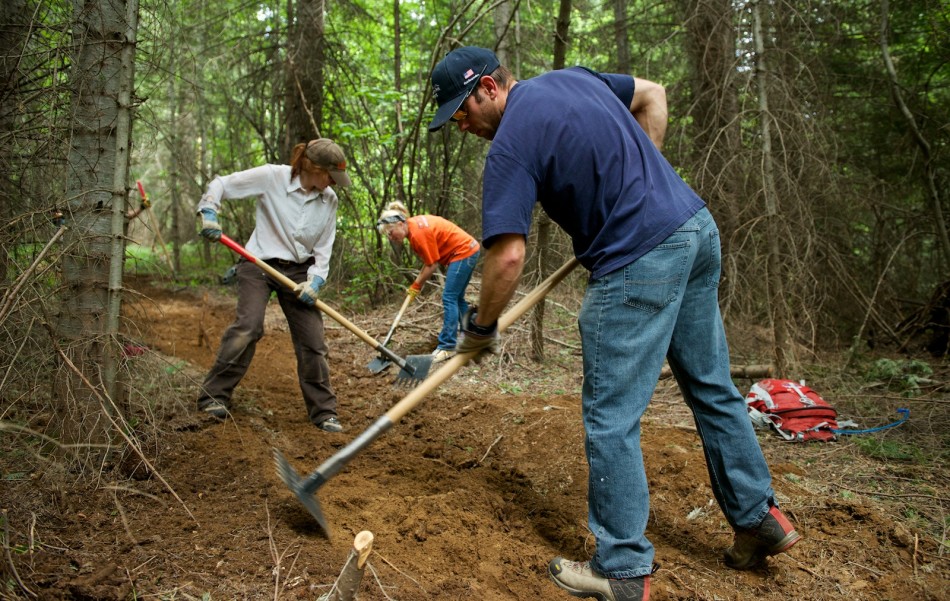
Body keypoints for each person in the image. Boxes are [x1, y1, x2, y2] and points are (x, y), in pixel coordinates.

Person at [429, 47, 800, 600]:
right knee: (713, 389)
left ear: (487, 88)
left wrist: (480, 330)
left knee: (611, 418)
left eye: (461, 112)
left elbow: (506, 258)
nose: (462, 126)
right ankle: (758, 519)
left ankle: (621, 569)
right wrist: (639, 190)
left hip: (639, 258)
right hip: (693, 230)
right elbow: (653, 95)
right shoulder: (573, 79)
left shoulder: (509, 144)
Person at [194, 138, 351, 433]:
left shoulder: (329, 199)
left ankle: (324, 411)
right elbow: (222, 184)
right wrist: (209, 210)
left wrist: (315, 280)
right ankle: (214, 395)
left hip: (300, 272)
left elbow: (324, 248)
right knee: (249, 327)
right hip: (258, 263)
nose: (333, 183)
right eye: (330, 175)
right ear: (312, 167)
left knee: (313, 341)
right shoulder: (272, 177)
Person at [376, 201, 480, 362]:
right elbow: (430, 262)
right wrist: (417, 284)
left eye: (390, 233)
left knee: (449, 297)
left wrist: (416, 284)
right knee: (457, 298)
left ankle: (447, 346)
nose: (390, 238)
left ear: (399, 224)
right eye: (387, 236)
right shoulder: (413, 228)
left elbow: (432, 265)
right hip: (470, 249)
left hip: (463, 252)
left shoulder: (417, 233)